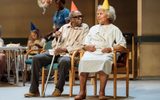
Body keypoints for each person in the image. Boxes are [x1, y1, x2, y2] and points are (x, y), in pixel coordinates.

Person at [24, 10, 89, 97]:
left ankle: (58, 88)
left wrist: (65, 49)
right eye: (77, 17)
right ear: (71, 19)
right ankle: (34, 90)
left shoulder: (84, 28)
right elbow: (54, 44)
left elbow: (82, 45)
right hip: (56, 52)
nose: (80, 18)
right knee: (36, 58)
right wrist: (56, 37)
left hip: (69, 54)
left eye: (81, 16)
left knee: (64, 61)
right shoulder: (64, 27)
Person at [75, 5, 126, 100]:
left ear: (108, 16)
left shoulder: (114, 29)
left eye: (100, 14)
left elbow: (122, 46)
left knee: (104, 61)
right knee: (83, 61)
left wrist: (110, 48)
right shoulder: (93, 28)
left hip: (106, 53)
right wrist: (87, 47)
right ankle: (82, 92)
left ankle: (101, 92)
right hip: (92, 52)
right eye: (97, 14)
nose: (98, 16)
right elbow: (85, 44)